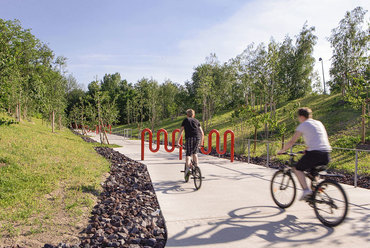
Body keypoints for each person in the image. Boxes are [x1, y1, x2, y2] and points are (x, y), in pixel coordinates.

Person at [277, 107, 332, 201]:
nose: (298, 119)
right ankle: (317, 187)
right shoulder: (318, 123)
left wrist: (282, 150)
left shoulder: (303, 125)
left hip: (315, 153)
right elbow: (317, 138)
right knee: (313, 172)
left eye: (298, 117)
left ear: (301, 116)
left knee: (297, 168)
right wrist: (306, 149)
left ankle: (306, 191)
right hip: (326, 153)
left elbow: (291, 142)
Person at [175, 109, 204, 180]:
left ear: (187, 115)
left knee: (188, 155)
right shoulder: (197, 121)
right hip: (197, 138)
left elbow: (181, 131)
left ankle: (188, 170)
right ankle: (196, 169)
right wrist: (201, 143)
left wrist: (177, 142)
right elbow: (202, 133)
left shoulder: (186, 120)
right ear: (193, 115)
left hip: (189, 138)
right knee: (195, 153)